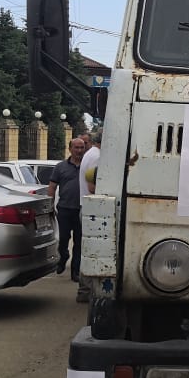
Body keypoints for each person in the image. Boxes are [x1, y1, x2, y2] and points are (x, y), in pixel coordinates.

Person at [48, 137, 86, 282]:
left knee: (79, 242)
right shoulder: (60, 167)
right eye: (76, 147)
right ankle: (63, 257)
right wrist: (50, 205)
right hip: (64, 209)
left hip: (81, 210)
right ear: (70, 149)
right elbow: (52, 187)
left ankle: (75, 271)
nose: (79, 150)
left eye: (82, 147)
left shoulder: (87, 166)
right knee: (63, 238)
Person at [76, 129, 102, 303]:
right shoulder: (97, 157)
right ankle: (85, 290)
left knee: (88, 250)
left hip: (86, 207)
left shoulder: (90, 154)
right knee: (92, 252)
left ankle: (84, 290)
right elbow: (93, 187)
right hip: (93, 210)